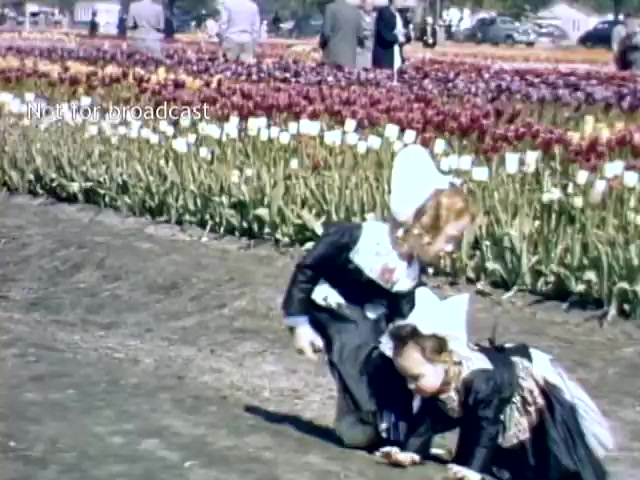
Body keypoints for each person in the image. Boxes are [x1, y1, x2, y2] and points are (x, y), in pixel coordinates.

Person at [281, 145, 473, 450]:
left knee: (391, 355)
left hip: (371, 315)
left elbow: (404, 308)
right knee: (358, 347)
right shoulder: (358, 239)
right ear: (422, 228)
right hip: (332, 305)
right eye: (449, 239)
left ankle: (396, 430)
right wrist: (299, 321)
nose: (451, 249)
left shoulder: (409, 270)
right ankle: (359, 416)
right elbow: (308, 267)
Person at [375, 288, 616, 480]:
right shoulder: (441, 379)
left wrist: (473, 469)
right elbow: (427, 420)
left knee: (543, 456)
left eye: (415, 377)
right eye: (406, 378)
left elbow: (485, 429)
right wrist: (411, 452)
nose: (410, 385)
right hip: (488, 396)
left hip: (521, 392)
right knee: (464, 422)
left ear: (445, 360)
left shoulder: (481, 382)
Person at [319, 0, 364, 68]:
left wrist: (321, 46)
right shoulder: (355, 11)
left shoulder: (330, 8)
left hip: (333, 57)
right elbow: (361, 35)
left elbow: (326, 33)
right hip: (350, 58)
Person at [372, 0, 409, 70]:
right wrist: (398, 38)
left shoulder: (401, 14)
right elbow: (384, 33)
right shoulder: (384, 12)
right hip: (385, 53)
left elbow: (406, 31)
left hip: (398, 51)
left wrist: (406, 35)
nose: (402, 3)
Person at [356, 0, 375, 69]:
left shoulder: (375, 16)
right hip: (361, 49)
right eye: (368, 4)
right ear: (363, 4)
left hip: (372, 49)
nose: (370, 6)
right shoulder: (357, 15)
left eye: (371, 4)